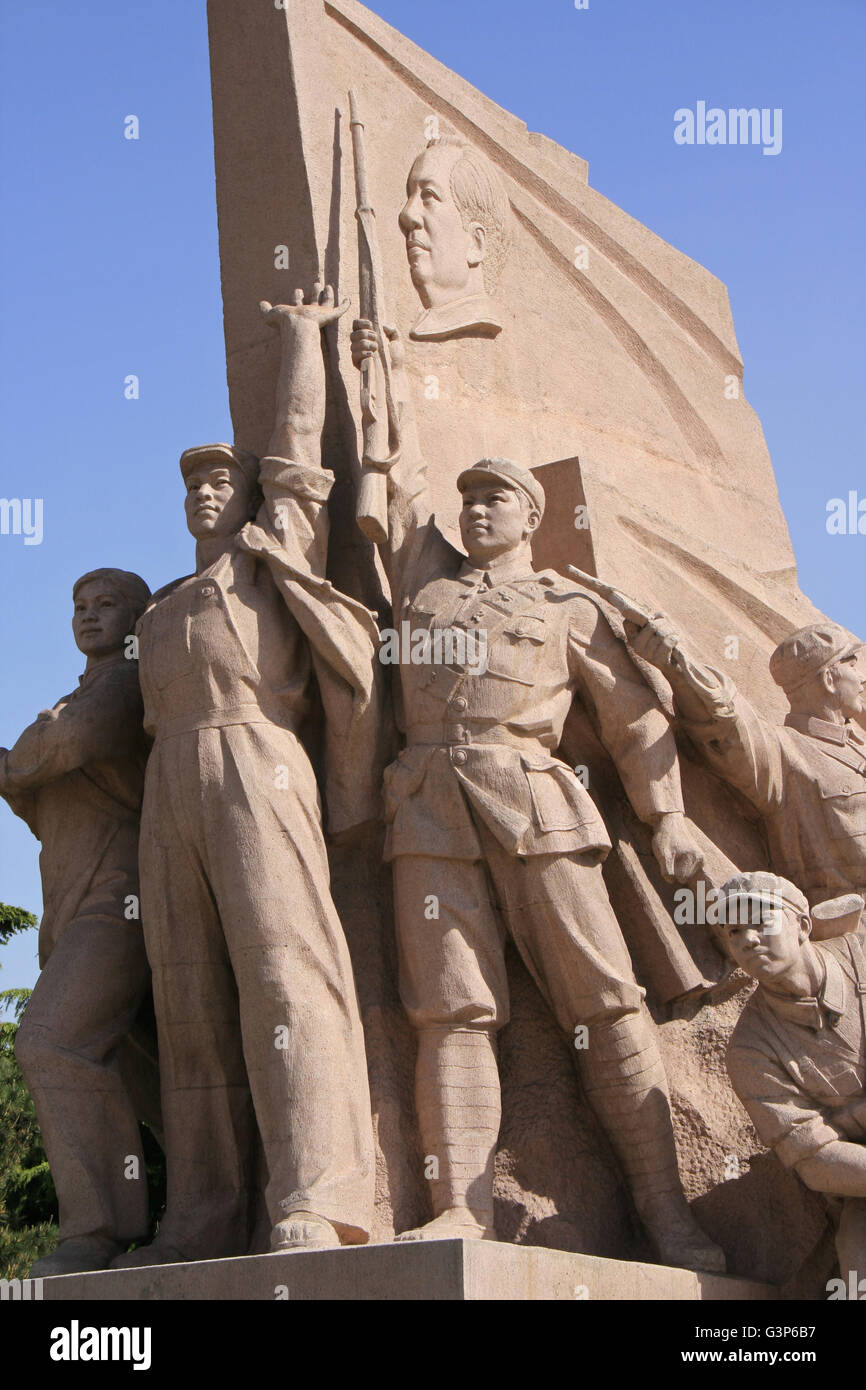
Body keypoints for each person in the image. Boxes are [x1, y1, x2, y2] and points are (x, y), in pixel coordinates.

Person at [349, 320, 725, 1272]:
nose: (476, 513)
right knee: (451, 1013)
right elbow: (394, 487)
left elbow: (637, 717)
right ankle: (458, 1207)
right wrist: (375, 367)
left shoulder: (568, 605)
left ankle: (667, 1215)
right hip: (429, 804)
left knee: (603, 1002)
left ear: (530, 515)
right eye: (468, 501)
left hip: (539, 803)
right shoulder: (424, 591)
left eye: (496, 501)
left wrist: (670, 815)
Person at [114, 286, 382, 1268]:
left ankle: (320, 1192)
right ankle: (206, 1211)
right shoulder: (165, 606)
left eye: (220, 481)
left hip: (257, 758)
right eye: (192, 485)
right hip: (170, 779)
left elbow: (299, 454)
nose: (204, 494)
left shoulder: (269, 560)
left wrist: (303, 339)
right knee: (187, 995)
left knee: (286, 972)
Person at [2, 567, 157, 1277]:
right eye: (80, 607)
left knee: (49, 1041)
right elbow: (34, 786)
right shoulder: (78, 695)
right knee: (138, 1077)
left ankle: (95, 1231)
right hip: (71, 909)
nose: (90, 616)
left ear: (138, 616)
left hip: (119, 903)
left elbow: (60, 748)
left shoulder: (125, 684)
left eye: (107, 605)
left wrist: (22, 758)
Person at [631, 616, 866, 911]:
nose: (861, 677)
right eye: (852, 665)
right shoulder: (784, 750)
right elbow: (727, 728)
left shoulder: (858, 746)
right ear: (829, 680)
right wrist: (678, 666)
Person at [719, 872, 866, 1285]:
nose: (747, 939)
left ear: (802, 926)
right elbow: (815, 1162)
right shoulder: (751, 1049)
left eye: (760, 921)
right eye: (734, 930)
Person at [399, 135, 510, 341]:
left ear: (476, 243)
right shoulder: (427, 323)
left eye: (428, 196)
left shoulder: (477, 324)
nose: (407, 214)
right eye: (410, 196)